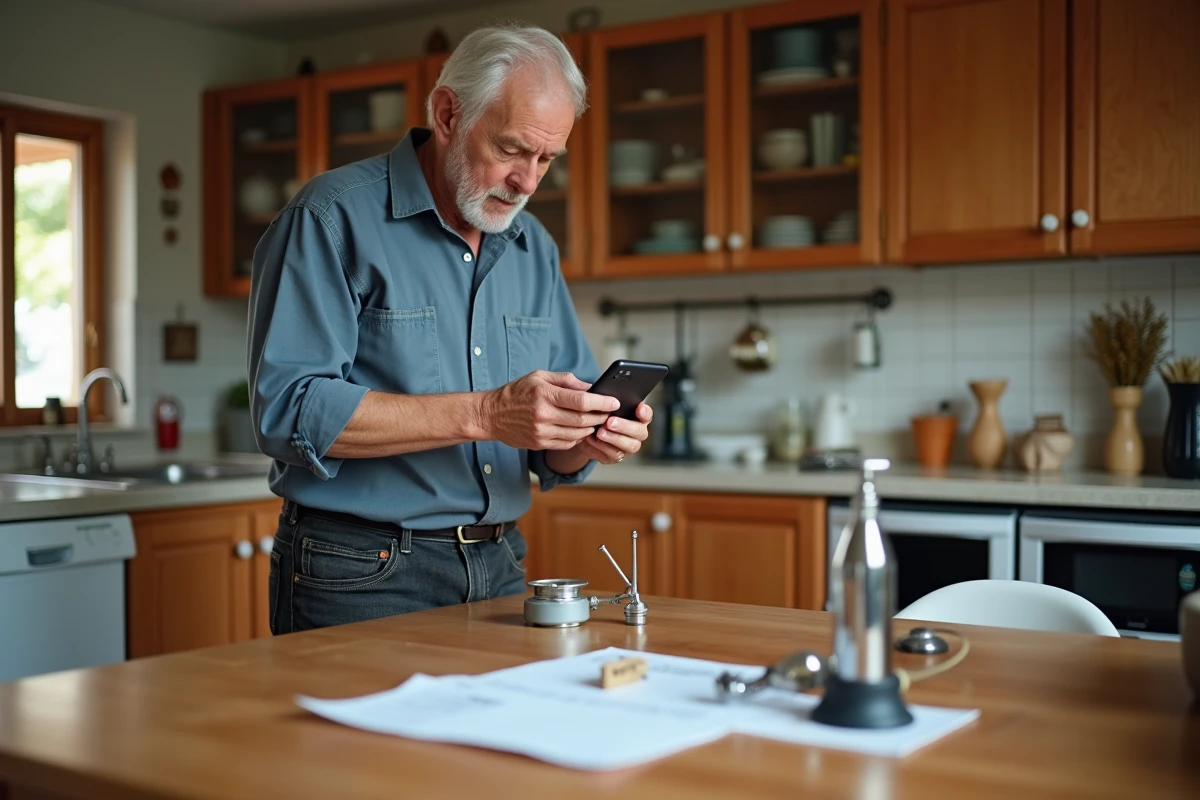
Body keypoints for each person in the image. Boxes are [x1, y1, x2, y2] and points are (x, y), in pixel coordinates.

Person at [246, 24, 653, 634]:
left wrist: (588, 436)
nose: (529, 181)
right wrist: (488, 414)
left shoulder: (532, 246)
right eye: (513, 149)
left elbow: (550, 452)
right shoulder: (329, 218)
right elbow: (287, 410)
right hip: (359, 571)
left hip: (501, 563)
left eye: (547, 159)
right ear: (446, 114)